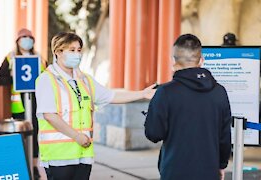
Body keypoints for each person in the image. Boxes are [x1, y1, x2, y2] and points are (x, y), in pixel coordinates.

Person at [35, 32, 156, 180]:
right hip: (59, 156)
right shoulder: (46, 79)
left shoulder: (85, 80)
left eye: (79, 50)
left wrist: (142, 94)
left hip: (83, 154)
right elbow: (49, 115)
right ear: (58, 52)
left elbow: (111, 96)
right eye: (71, 50)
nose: (77, 54)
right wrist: (76, 136)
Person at [144, 34, 232, 180]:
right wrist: (221, 165)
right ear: (201, 61)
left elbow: (153, 134)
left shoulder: (165, 92)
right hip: (209, 172)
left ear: (173, 61)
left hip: (174, 171)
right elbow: (224, 136)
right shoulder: (219, 91)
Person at [0, 28, 46, 180]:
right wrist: (13, 76)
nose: (26, 40)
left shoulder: (39, 57)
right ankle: (19, 166)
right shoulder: (11, 56)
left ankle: (34, 167)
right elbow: (1, 73)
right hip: (19, 104)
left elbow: (47, 76)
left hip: (36, 103)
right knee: (19, 137)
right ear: (17, 41)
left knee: (34, 135)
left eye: (29, 37)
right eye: (23, 37)